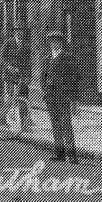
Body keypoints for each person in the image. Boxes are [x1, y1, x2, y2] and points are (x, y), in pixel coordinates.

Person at [42, 31, 78, 163]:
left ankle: (72, 154)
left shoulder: (68, 57)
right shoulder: (47, 59)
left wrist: (72, 96)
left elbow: (75, 77)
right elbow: (43, 77)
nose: (54, 44)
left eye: (56, 42)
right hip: (50, 96)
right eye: (52, 42)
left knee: (66, 124)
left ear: (61, 43)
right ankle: (60, 153)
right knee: (55, 124)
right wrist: (45, 91)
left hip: (63, 96)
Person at [0, 26, 32, 131]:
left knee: (23, 98)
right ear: (15, 32)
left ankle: (25, 125)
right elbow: (1, 58)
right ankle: (1, 120)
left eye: (22, 31)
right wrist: (9, 67)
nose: (20, 33)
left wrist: (28, 77)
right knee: (9, 99)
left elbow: (28, 63)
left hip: (21, 76)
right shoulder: (8, 42)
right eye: (18, 31)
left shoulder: (26, 46)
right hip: (9, 76)